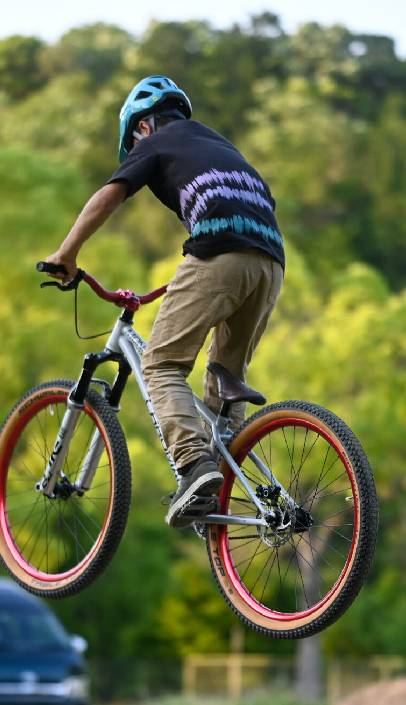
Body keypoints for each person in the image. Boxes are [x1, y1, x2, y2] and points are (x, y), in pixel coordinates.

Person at [42, 75, 285, 528]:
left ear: (142, 127)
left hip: (218, 251)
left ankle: (194, 467)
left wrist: (67, 254)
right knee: (225, 380)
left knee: (161, 365)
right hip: (270, 261)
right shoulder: (220, 144)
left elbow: (109, 195)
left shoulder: (155, 143)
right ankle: (224, 493)